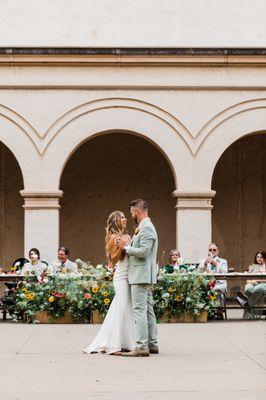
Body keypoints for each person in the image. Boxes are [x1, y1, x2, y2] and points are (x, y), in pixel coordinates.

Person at [83, 211, 135, 355]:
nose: (125, 219)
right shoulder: (114, 237)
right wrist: (121, 246)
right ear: (116, 221)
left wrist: (126, 243)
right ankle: (114, 346)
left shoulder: (124, 236)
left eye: (125, 217)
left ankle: (123, 342)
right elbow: (113, 259)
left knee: (123, 309)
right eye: (122, 217)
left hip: (128, 275)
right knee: (122, 309)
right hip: (121, 276)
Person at [117, 199, 159, 357]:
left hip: (140, 276)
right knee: (148, 311)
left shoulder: (147, 228)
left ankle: (141, 346)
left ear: (138, 212)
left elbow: (144, 252)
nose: (131, 215)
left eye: (132, 213)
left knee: (139, 311)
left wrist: (126, 248)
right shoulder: (144, 227)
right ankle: (152, 343)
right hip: (143, 275)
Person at [237, 251, 266, 319]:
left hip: (263, 284)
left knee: (257, 289)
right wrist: (249, 280)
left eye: (261, 257)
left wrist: (256, 280)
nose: (259, 258)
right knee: (248, 289)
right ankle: (248, 303)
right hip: (252, 283)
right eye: (258, 257)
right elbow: (248, 277)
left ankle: (246, 304)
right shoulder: (252, 266)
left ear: (264, 258)